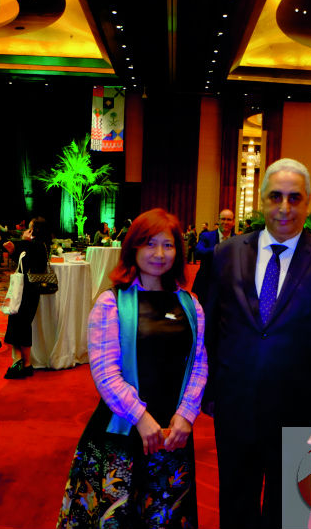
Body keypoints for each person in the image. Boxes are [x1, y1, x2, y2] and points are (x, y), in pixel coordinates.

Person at [204, 158, 311, 528]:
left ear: (307, 202)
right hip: (235, 407)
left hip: (298, 412)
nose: (284, 207)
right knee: (236, 506)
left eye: (294, 198)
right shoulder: (225, 254)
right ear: (261, 200)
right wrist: (209, 392)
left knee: (288, 513)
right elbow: (208, 329)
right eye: (275, 197)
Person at [56, 208, 207, 528]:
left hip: (172, 435)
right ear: (133, 248)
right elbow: (105, 372)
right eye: (150, 244)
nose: (159, 254)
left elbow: (199, 363)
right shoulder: (111, 302)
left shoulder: (190, 303)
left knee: (163, 518)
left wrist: (186, 414)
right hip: (122, 430)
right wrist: (141, 417)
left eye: (168, 245)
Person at [3, 217, 52, 379]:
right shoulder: (33, 245)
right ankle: (20, 361)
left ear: (34, 231)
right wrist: (15, 251)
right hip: (23, 289)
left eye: (29, 228)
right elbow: (21, 262)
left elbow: (30, 264)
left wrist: (24, 242)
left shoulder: (37, 245)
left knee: (22, 323)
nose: (25, 231)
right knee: (16, 321)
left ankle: (25, 363)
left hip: (29, 290)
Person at [192, 209, 234, 306]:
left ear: (233, 222)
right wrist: (219, 248)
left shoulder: (237, 239)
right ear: (218, 221)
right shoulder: (206, 236)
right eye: (223, 219)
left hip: (228, 287)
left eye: (229, 220)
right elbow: (198, 252)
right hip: (207, 285)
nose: (225, 222)